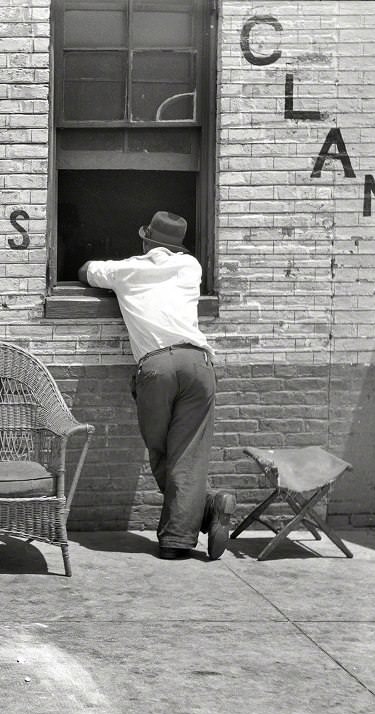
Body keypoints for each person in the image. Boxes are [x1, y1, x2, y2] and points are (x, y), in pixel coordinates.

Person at [78, 211, 235, 560]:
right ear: (177, 245)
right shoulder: (191, 267)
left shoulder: (127, 270)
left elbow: (86, 270)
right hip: (198, 363)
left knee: (162, 451)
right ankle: (206, 508)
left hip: (157, 365)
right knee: (188, 454)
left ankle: (179, 539)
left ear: (146, 239)